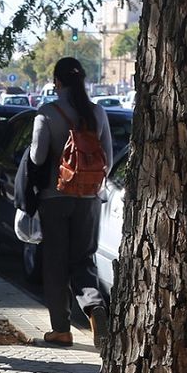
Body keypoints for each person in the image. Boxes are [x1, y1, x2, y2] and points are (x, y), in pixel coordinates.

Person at [26, 55, 112, 347]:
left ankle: (61, 329)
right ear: (82, 80)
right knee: (83, 260)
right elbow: (108, 161)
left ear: (57, 82)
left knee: (55, 264)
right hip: (88, 199)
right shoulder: (98, 113)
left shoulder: (47, 112)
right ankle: (94, 307)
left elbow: (37, 157)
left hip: (54, 198)